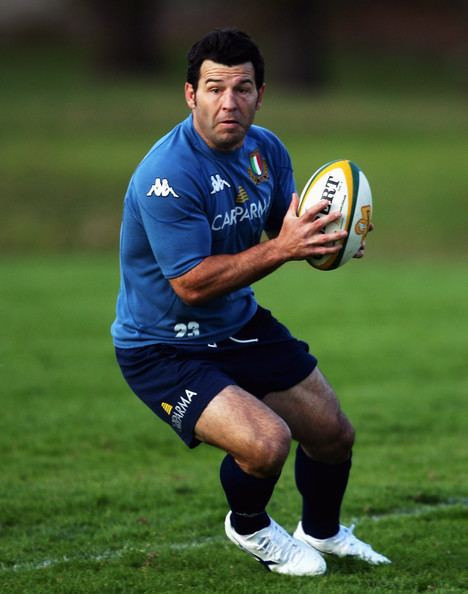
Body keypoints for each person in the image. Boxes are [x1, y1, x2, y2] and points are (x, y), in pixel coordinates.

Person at [111, 28, 390, 576]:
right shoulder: (167, 175)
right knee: (267, 443)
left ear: (261, 93)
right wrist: (286, 248)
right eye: (214, 88)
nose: (229, 103)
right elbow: (190, 284)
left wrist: (332, 238)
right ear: (190, 94)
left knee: (333, 434)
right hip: (163, 347)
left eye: (242, 89)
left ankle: (324, 532)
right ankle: (250, 525)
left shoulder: (267, 150)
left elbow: (283, 230)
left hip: (238, 323)